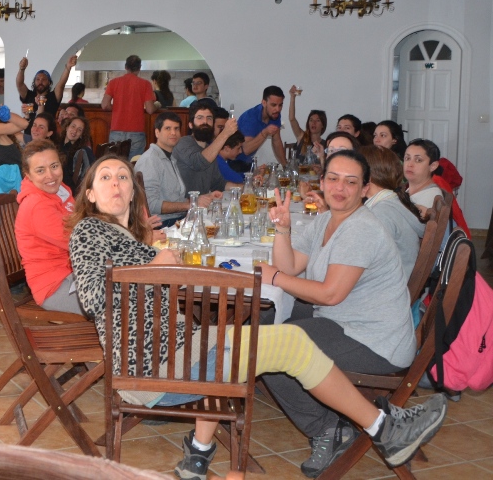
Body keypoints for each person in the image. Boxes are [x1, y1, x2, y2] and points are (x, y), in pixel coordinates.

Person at [66, 154, 448, 480]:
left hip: (178, 350)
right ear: (90, 194)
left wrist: (161, 263)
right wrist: (155, 266)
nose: (116, 183)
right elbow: (94, 298)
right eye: (105, 177)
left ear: (133, 192)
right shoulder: (88, 230)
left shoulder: (128, 236)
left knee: (245, 333)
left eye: (123, 177)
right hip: (149, 368)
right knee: (288, 341)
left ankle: (199, 452)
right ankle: (384, 428)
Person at [259, 151, 419, 477]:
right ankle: (329, 417)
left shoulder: (360, 229)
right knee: (263, 320)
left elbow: (330, 294)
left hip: (375, 341)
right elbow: (290, 266)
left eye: (350, 182)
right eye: (333, 179)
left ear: (365, 189)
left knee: (269, 347)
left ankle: (328, 429)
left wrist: (273, 278)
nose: (340, 188)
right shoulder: (326, 221)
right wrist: (282, 229)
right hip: (344, 322)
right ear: (321, 182)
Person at [15, 140, 84, 316]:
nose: (50, 175)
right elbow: (79, 242)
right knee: (124, 302)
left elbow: (83, 223)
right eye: (40, 170)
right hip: (55, 286)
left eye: (54, 166)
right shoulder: (37, 206)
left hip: (74, 271)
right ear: (28, 175)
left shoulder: (60, 191)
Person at [360, 146, 425, 280]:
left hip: (386, 286)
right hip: (396, 279)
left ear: (367, 177)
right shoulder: (392, 200)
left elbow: (365, 263)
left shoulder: (380, 213)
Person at [134, 112, 193, 227]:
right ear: (157, 132)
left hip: (176, 219)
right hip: (162, 224)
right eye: (168, 128)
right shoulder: (150, 160)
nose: (173, 133)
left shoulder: (170, 157)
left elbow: (174, 197)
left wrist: (196, 201)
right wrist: (187, 206)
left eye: (176, 129)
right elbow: (150, 204)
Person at [173, 100, 239, 196]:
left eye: (209, 118)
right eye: (200, 118)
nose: (205, 122)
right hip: (184, 204)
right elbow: (199, 162)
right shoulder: (183, 143)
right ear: (190, 124)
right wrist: (225, 133)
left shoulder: (210, 149)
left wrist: (247, 187)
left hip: (203, 203)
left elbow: (219, 184)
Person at [101, 54, 155, 154]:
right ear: (139, 68)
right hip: (136, 131)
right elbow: (150, 109)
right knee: (134, 162)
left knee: (116, 161)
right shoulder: (145, 84)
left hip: (116, 130)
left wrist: (116, 107)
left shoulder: (113, 82)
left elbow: (104, 105)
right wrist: (157, 106)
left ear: (126, 67)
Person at [16, 54, 76, 134]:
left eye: (44, 79)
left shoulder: (53, 96)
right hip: (29, 135)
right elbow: (19, 83)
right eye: (38, 79)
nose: (40, 82)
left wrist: (68, 68)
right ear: (34, 82)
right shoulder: (29, 95)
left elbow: (62, 82)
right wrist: (21, 69)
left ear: (49, 82)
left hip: (47, 135)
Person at [236, 85, 285, 166]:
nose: (277, 109)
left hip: (248, 162)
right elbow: (246, 150)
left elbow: (276, 141)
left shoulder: (274, 115)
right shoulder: (250, 118)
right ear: (264, 103)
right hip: (234, 162)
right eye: (273, 105)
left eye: (280, 105)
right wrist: (265, 132)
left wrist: (286, 166)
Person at [288, 86, 327, 161]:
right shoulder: (302, 137)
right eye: (311, 120)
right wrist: (292, 97)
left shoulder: (325, 145)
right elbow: (292, 119)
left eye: (317, 120)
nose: (313, 123)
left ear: (323, 125)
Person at [59, 115, 95, 194]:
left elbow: (91, 174)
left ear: (81, 134)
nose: (75, 131)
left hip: (70, 191)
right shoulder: (55, 145)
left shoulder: (84, 151)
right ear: (67, 127)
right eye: (73, 126)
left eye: (79, 130)